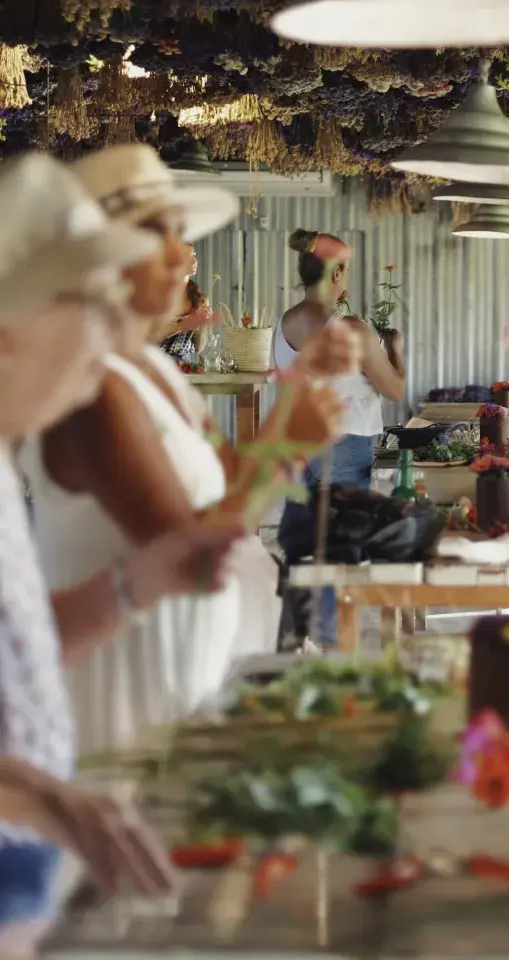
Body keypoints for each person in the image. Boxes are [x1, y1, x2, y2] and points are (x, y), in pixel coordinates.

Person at [22, 147, 347, 757]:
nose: (186, 255)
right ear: (104, 265)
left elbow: (226, 477)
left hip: (186, 666)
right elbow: (190, 554)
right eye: (162, 238)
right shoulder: (96, 391)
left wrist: (299, 391)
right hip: (129, 691)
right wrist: (286, 445)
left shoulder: (153, 370)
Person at [0, 153, 243, 948]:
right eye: (90, 303)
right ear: (12, 332)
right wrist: (31, 790)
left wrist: (135, 585)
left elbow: (22, 641)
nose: (110, 331)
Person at [276, 228, 405, 644]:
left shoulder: (285, 324)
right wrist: (395, 349)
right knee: (340, 549)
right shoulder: (350, 327)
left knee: (301, 546)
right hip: (344, 445)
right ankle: (334, 645)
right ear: (336, 274)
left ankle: (294, 640)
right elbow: (395, 388)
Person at [157, 245, 212, 366]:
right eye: (187, 257)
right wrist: (182, 326)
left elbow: (198, 348)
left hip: (185, 370)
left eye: (194, 255)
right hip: (155, 369)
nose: (194, 261)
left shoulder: (200, 300)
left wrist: (202, 324)